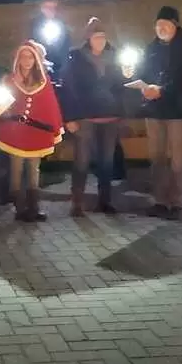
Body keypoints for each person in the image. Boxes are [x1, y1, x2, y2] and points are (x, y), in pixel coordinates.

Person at [130, 5, 182, 220]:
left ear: (175, 25)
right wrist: (137, 80)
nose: (161, 28)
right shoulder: (150, 48)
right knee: (157, 158)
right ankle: (160, 200)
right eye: (158, 25)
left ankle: (177, 202)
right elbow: (143, 73)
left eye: (165, 24)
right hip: (154, 111)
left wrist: (163, 90)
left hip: (178, 110)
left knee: (178, 159)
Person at [0, 41, 63, 222]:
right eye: (23, 56)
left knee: (34, 171)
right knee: (16, 170)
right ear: (18, 59)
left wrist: (54, 127)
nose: (27, 60)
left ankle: (34, 207)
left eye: (30, 56)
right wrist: (0, 112)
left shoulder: (43, 80)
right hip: (15, 132)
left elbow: (50, 105)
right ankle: (19, 207)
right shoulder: (9, 80)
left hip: (36, 132)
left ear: (36, 59)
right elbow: (0, 105)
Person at [62, 17, 125, 217]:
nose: (100, 41)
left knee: (106, 161)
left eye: (103, 37)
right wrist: (70, 117)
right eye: (96, 37)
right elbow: (69, 89)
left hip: (109, 116)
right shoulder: (76, 58)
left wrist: (127, 76)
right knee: (82, 160)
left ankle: (105, 200)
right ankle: (77, 201)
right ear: (89, 38)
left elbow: (121, 87)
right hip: (85, 117)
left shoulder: (115, 57)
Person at [30, 0, 70, 86]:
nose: (51, 10)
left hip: (59, 69)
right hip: (41, 69)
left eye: (53, 7)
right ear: (42, 9)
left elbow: (65, 47)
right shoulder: (35, 25)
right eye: (48, 7)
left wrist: (63, 68)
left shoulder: (61, 25)